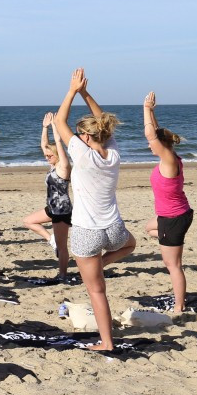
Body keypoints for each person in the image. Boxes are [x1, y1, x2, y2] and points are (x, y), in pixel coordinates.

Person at [53, 68, 134, 351]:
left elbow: (59, 120)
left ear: (86, 137)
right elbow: (103, 126)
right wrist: (85, 93)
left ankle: (107, 343)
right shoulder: (112, 153)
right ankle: (101, 264)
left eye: (78, 134)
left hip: (87, 233)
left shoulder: (82, 153)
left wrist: (72, 90)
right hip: (114, 230)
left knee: (97, 290)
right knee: (130, 244)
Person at [144, 92, 193, 312]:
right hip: (174, 216)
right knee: (149, 228)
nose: (149, 145)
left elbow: (151, 136)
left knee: (172, 265)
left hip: (173, 217)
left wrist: (145, 109)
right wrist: (153, 112)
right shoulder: (170, 156)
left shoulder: (170, 160)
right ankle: (172, 241)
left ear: (161, 145)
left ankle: (179, 307)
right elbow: (154, 135)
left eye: (153, 143)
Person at [21, 113, 72, 282]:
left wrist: (56, 127)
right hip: (51, 208)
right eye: (46, 156)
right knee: (28, 221)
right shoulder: (52, 165)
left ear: (57, 155)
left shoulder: (63, 167)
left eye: (50, 155)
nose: (46, 157)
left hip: (61, 210)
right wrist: (45, 128)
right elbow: (45, 145)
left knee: (63, 247)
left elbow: (58, 144)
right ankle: (51, 240)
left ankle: (63, 274)